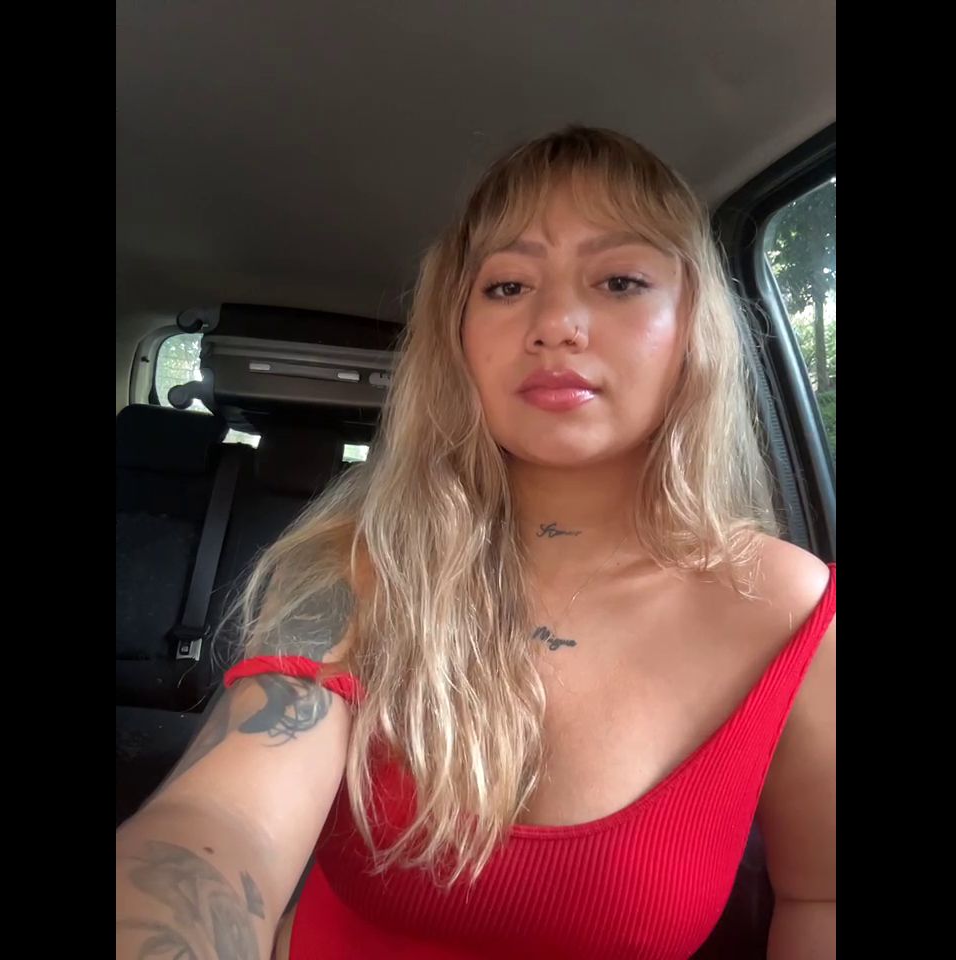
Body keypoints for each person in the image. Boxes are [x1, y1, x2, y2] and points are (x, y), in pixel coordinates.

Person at [116, 126, 836, 960]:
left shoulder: (791, 611)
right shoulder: (357, 566)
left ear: (693, 328)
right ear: (459, 338)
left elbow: (819, 897)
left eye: (621, 281)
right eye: (507, 286)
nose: (556, 323)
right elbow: (218, 823)